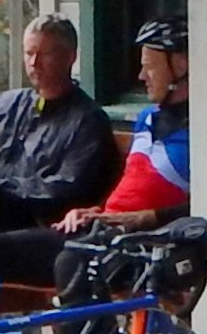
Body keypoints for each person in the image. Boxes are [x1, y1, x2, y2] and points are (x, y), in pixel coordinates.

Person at [0, 13, 123, 247]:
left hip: (34, 222)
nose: (34, 63)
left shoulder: (87, 121)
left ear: (70, 57)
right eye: (29, 53)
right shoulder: (12, 103)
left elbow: (65, 191)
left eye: (45, 54)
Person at [56, 19, 193, 235]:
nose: (141, 76)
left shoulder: (199, 133)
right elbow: (133, 189)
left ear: (180, 66)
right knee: (0, 247)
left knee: (58, 256)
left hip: (147, 239)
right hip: (106, 228)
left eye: (150, 67)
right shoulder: (147, 118)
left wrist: (143, 218)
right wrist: (94, 211)